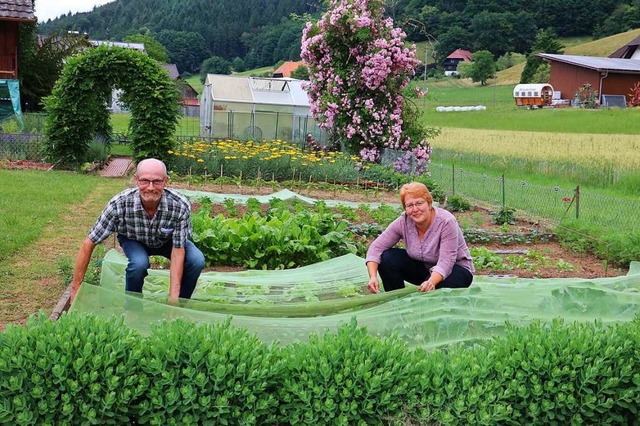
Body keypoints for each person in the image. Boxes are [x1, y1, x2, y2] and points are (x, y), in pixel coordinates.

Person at [70, 158, 205, 304]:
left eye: (157, 181)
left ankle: (178, 305)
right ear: (136, 180)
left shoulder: (179, 205)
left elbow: (178, 250)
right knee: (139, 263)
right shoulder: (119, 204)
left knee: (196, 260)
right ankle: (133, 308)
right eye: (145, 181)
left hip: (168, 241)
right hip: (133, 239)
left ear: (166, 181)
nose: (151, 187)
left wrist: (173, 297)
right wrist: (75, 289)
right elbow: (89, 242)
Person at [366, 182, 474, 293]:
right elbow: (376, 248)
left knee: (437, 290)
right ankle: (396, 301)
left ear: (429, 203)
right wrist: (373, 277)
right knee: (388, 258)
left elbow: (446, 261)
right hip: (425, 269)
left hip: (455, 270)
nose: (415, 209)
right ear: (405, 209)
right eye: (410, 205)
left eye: (419, 203)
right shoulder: (404, 222)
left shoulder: (446, 222)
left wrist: (431, 282)